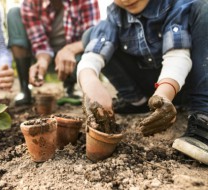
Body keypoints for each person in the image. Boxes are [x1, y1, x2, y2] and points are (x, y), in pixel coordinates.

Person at [77, 0, 208, 164]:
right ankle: (136, 101)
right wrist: (91, 84)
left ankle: (204, 117)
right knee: (91, 35)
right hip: (150, 89)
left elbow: (177, 57)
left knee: (204, 7)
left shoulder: (174, 6)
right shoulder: (115, 16)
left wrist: (163, 94)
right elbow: (91, 58)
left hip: (185, 83)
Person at [7, 0, 100, 106]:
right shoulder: (30, 3)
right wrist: (42, 60)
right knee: (14, 13)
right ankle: (25, 88)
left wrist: (69, 50)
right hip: (45, 58)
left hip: (74, 58)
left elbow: (94, 37)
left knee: (90, 52)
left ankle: (70, 87)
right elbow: (39, 43)